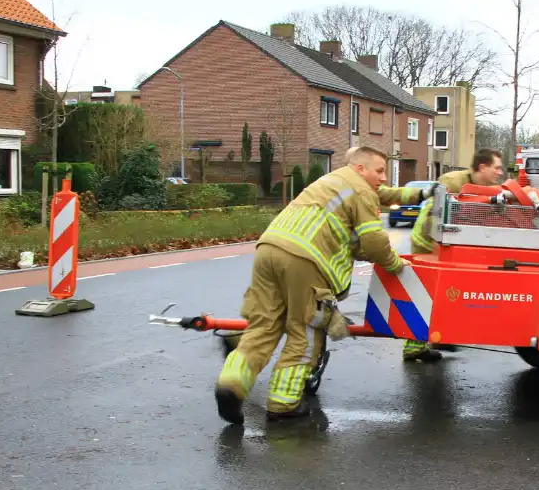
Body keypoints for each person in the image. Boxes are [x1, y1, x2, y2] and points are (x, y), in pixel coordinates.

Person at [214, 146, 415, 424]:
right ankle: (284, 404)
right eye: (379, 171)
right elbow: (374, 243)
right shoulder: (361, 191)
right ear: (360, 168)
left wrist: (421, 193)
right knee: (305, 331)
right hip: (305, 260)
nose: (383, 178)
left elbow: (354, 224)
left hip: (269, 248)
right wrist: (397, 265)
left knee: (263, 326)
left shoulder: (330, 181)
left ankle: (230, 384)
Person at [402, 148, 505, 362]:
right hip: (429, 244)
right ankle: (415, 346)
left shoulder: (484, 187)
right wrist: (437, 252)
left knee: (444, 294)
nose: (500, 172)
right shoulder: (452, 182)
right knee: (426, 294)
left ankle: (435, 337)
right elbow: (435, 218)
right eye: (496, 167)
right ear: (483, 167)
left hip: (447, 246)